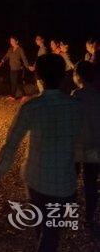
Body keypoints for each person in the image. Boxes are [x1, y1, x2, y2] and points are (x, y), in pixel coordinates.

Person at [0, 54, 80, 252]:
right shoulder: (75, 107)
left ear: (39, 76)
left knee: (43, 228)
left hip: (36, 181)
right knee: (51, 231)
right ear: (63, 76)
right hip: (64, 183)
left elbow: (10, 145)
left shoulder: (30, 107)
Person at [72, 61, 100, 229]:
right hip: (94, 147)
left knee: (72, 180)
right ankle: (89, 216)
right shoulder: (98, 96)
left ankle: (71, 212)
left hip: (76, 147)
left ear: (78, 77)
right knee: (90, 182)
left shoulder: (76, 95)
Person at [0, 36, 30, 100]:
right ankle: (22, 95)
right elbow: (6, 56)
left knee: (15, 82)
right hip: (12, 68)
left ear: (17, 41)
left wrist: (28, 66)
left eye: (13, 41)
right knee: (15, 82)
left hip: (18, 68)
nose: (12, 42)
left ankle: (13, 96)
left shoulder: (20, 49)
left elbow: (24, 58)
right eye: (11, 41)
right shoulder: (10, 49)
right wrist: (2, 61)